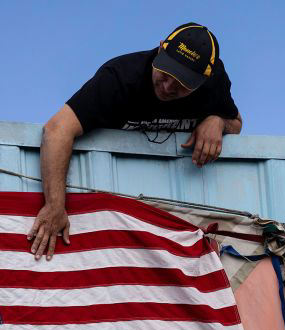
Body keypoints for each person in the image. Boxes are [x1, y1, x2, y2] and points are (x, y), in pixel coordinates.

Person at [27, 22, 243, 260]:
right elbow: (57, 130)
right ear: (161, 49)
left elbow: (236, 122)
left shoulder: (214, 83)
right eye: (166, 72)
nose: (169, 87)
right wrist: (55, 206)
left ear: (204, 79)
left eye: (182, 83)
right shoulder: (120, 77)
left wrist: (218, 121)